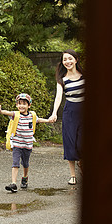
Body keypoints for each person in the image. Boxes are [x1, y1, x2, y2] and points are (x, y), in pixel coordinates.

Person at [0, 93, 50, 193]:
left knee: (25, 163)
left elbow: (38, 120)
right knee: (15, 163)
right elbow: (8, 113)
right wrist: (1, 111)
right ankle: (14, 184)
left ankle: (25, 178)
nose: (21, 106)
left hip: (27, 145)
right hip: (17, 144)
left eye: (24, 103)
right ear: (16, 105)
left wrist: (48, 121)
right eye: (19, 103)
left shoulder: (32, 115)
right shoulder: (16, 115)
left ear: (29, 105)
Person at [48, 49, 84, 185]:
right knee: (70, 143)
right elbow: (58, 97)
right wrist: (54, 112)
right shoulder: (61, 80)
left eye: (70, 59)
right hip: (70, 113)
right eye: (65, 60)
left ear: (76, 60)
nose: (67, 61)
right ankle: (73, 175)